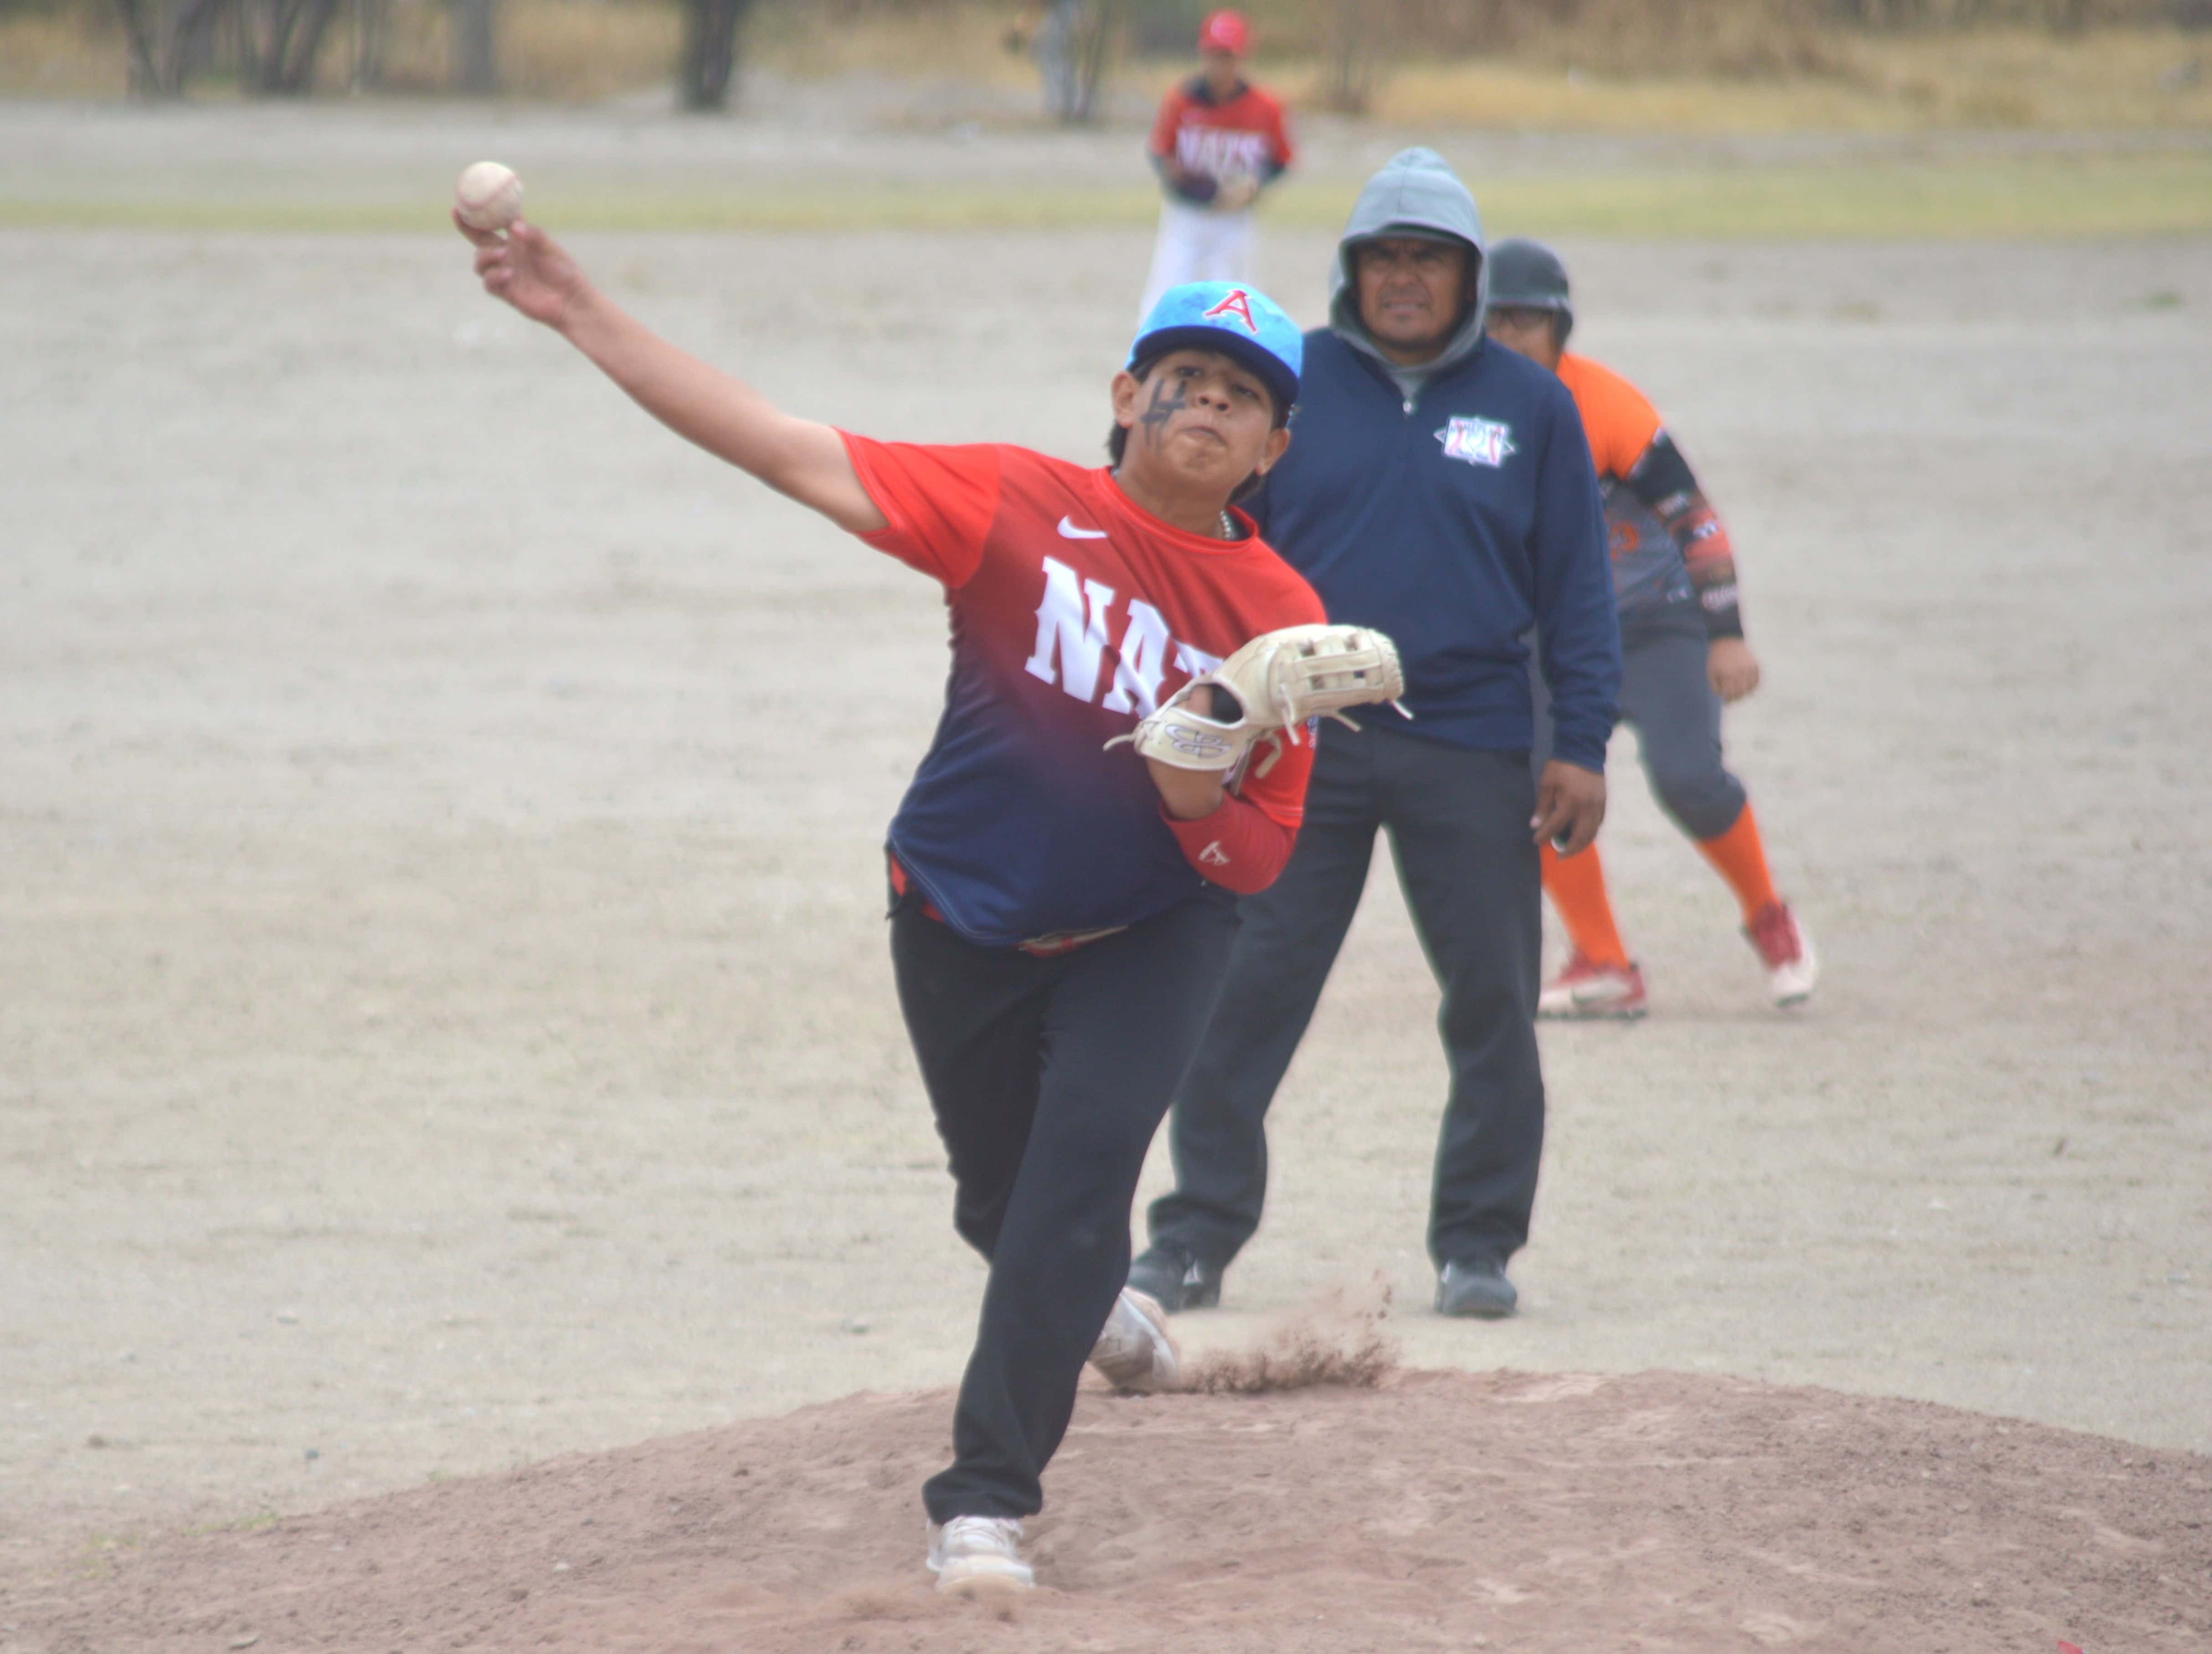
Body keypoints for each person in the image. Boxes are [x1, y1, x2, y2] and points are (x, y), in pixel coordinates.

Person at [455, 206, 1330, 1593]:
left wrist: (1189, 792)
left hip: (1150, 935)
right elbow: (781, 446)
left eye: (1245, 396)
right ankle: (1089, 1309)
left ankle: (981, 1504)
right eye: (1187, 378)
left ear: (1274, 447)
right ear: (1125, 397)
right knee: (1001, 1206)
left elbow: (1257, 863)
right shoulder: (1011, 502)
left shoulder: (1283, 622)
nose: (1211, 405)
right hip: (959, 909)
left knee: (1072, 1195)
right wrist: (577, 311)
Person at [1130, 149, 1621, 1324]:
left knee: (1492, 1001)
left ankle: (1477, 1244)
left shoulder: (1531, 404)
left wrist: (1582, 743)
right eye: (1384, 256)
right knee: (1244, 991)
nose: (1405, 277)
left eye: (1429, 259)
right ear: (1352, 269)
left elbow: (1577, 588)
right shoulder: (1292, 381)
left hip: (1473, 740)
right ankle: (1194, 1236)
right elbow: (1204, 536)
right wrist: (1204, 704)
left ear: (1468, 276)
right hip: (1303, 740)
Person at [1482, 238, 1818, 1016]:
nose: (1505, 335)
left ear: (1559, 327)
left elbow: (1694, 519)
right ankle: (1602, 959)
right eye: (1490, 319)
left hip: (1653, 621)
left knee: (1688, 778)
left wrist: (1725, 632)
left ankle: (1768, 915)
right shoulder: (1465, 410)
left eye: (1524, 319)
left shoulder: (1605, 406)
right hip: (1547, 636)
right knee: (1535, 784)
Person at [1137, 9, 1294, 319]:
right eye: (1214, 55)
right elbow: (1161, 153)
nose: (1220, 64)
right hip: (1186, 215)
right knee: (1165, 294)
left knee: (1235, 303)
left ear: (1242, 57)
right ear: (1203, 55)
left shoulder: (1265, 107)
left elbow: (1281, 159)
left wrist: (1255, 185)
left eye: (1228, 56)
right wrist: (1182, 179)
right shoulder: (1181, 100)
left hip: (1234, 218)